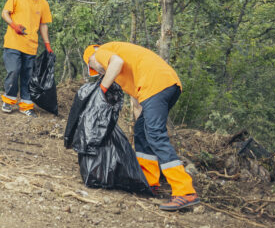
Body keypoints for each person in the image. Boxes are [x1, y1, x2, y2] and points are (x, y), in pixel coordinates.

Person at [83, 42, 200, 211]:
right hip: (165, 86)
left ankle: (185, 191)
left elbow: (116, 63)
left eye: (94, 67)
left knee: (155, 135)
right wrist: (141, 126)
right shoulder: (127, 68)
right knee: (142, 132)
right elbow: (138, 105)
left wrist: (102, 90)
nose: (99, 72)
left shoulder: (100, 52)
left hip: (157, 86)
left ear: (91, 59)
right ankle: (149, 181)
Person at [0, 0, 52, 116]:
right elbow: (5, 13)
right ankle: (9, 101)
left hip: (31, 45)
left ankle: (25, 106)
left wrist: (47, 44)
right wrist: (14, 25)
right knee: (14, 70)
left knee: (27, 76)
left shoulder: (43, 3)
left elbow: (43, 25)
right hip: (13, 42)